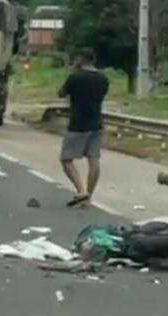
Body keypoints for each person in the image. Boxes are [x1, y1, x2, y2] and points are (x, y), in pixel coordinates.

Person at [58, 48, 109, 207]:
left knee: (66, 159)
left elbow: (61, 93)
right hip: (96, 123)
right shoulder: (103, 79)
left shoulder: (75, 77)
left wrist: (73, 72)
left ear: (81, 59)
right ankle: (89, 196)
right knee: (93, 160)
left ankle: (81, 190)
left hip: (78, 124)